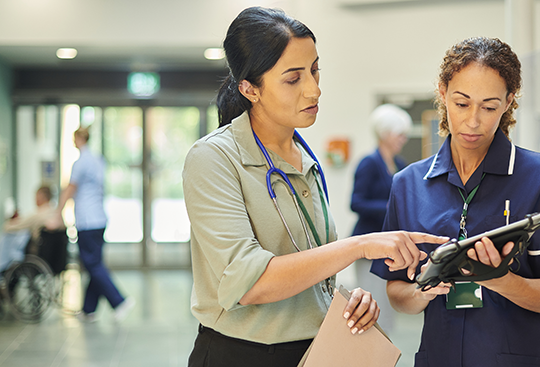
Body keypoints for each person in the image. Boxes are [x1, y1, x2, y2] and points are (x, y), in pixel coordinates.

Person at [182, 7, 446, 367]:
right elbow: (250, 282)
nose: (314, 89)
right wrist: (360, 245)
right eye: (293, 79)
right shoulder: (213, 158)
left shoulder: (304, 157)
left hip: (314, 350)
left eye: (315, 70)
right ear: (249, 89)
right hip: (241, 354)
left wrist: (345, 299)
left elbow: (310, 267)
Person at [371, 37, 540, 367]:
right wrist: (423, 291)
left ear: (508, 102)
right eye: (461, 103)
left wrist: (500, 279)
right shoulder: (408, 184)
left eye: (489, 107)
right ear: (443, 94)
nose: (474, 121)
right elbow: (396, 292)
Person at [58, 127, 134, 323]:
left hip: (87, 222)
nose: (73, 142)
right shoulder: (97, 160)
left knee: (92, 264)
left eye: (74, 138)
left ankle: (119, 301)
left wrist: (57, 212)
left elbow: (70, 189)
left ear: (80, 138)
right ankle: (88, 310)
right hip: (99, 220)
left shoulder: (80, 162)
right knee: (94, 264)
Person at [350, 103, 412, 335]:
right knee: (370, 311)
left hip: (388, 251)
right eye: (400, 134)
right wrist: (388, 207)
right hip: (367, 249)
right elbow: (356, 202)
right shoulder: (369, 163)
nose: (403, 139)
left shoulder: (399, 165)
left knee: (386, 314)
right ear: (385, 134)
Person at [0, 186, 64, 304]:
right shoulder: (55, 213)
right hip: (53, 259)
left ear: (42, 197)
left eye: (36, 197)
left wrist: (11, 221)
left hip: (36, 255)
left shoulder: (40, 214)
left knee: (3, 242)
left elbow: (9, 227)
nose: (35, 200)